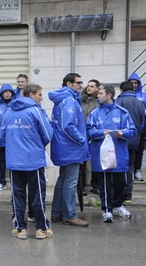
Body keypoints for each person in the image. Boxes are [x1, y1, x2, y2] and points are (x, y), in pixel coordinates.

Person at [0, 84, 54, 239]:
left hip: (14, 161)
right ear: (31, 95)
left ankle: (20, 229)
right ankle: (41, 229)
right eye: (39, 94)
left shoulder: (9, 111)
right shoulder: (35, 110)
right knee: (37, 195)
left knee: (18, 195)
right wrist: (35, 145)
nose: (41, 98)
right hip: (33, 161)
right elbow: (48, 134)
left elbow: (1, 136)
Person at [87, 84, 137, 222]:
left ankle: (118, 205)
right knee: (104, 183)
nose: (98, 95)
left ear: (109, 95)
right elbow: (89, 131)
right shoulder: (94, 113)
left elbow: (132, 130)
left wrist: (122, 133)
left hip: (119, 153)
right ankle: (107, 209)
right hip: (101, 154)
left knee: (121, 182)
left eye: (101, 93)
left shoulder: (122, 112)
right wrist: (101, 132)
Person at [49, 73, 90, 227]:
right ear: (69, 84)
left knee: (63, 180)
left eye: (81, 82)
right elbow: (68, 126)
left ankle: (57, 213)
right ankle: (70, 215)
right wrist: (82, 140)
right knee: (70, 182)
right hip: (71, 148)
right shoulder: (69, 100)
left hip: (64, 147)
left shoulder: (63, 99)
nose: (81, 85)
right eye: (78, 83)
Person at [115, 81, 145, 203]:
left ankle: (118, 196)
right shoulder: (140, 103)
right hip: (134, 139)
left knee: (118, 168)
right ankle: (127, 195)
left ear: (121, 90)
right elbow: (142, 121)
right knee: (129, 167)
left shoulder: (118, 102)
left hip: (120, 139)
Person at [127, 72, 146, 181]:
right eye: (131, 83)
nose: (134, 85)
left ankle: (137, 170)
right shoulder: (123, 96)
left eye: (136, 83)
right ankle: (130, 170)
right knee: (128, 150)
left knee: (139, 150)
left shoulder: (145, 95)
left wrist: (140, 112)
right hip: (128, 129)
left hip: (142, 128)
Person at [0, 84, 17, 191]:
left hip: (13, 140)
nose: (7, 93)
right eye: (5, 91)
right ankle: (2, 182)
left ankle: (15, 183)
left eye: (9, 91)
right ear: (1, 93)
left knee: (13, 161)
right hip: (0, 139)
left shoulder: (16, 105)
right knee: (1, 162)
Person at [80, 79, 100, 195]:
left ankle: (95, 185)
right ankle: (81, 186)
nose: (89, 88)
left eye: (92, 86)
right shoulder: (81, 100)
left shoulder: (99, 101)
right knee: (82, 161)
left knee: (96, 160)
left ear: (97, 88)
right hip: (82, 133)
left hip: (95, 133)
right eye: (88, 86)